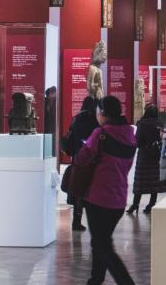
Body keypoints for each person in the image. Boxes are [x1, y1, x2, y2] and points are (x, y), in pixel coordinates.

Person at [74, 96, 136, 285]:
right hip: (118, 199)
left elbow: (81, 159)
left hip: (98, 198)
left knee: (103, 246)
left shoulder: (100, 134)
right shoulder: (130, 135)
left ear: (103, 113)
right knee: (99, 243)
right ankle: (95, 280)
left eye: (98, 111)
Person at [63, 96, 99, 231]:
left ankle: (76, 220)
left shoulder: (77, 119)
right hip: (92, 160)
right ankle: (94, 221)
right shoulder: (95, 119)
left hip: (78, 159)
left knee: (78, 190)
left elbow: (71, 137)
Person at [128, 105, 166, 214]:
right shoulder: (159, 124)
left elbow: (137, 141)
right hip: (155, 154)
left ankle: (135, 204)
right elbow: (160, 138)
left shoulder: (142, 124)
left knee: (140, 180)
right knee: (153, 180)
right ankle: (151, 204)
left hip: (144, 155)